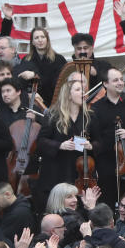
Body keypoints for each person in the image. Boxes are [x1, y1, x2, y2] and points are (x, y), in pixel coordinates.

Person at [89, 67, 125, 207]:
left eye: (121, 79)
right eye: (115, 80)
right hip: (108, 165)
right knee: (108, 204)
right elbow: (96, 138)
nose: (120, 82)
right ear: (105, 84)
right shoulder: (96, 108)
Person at [34, 79, 93, 212]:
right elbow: (41, 142)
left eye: (83, 89)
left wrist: (91, 145)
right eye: (78, 90)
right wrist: (60, 145)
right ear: (68, 95)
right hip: (57, 170)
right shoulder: (53, 115)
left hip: (79, 171)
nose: (84, 93)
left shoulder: (88, 117)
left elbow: (99, 142)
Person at [24, 27, 67, 106]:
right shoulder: (26, 60)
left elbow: (61, 83)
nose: (40, 40)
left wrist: (35, 75)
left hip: (55, 104)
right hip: (33, 104)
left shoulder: (59, 59)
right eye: (36, 38)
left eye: (43, 37)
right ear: (32, 42)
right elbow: (21, 84)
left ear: (47, 40)